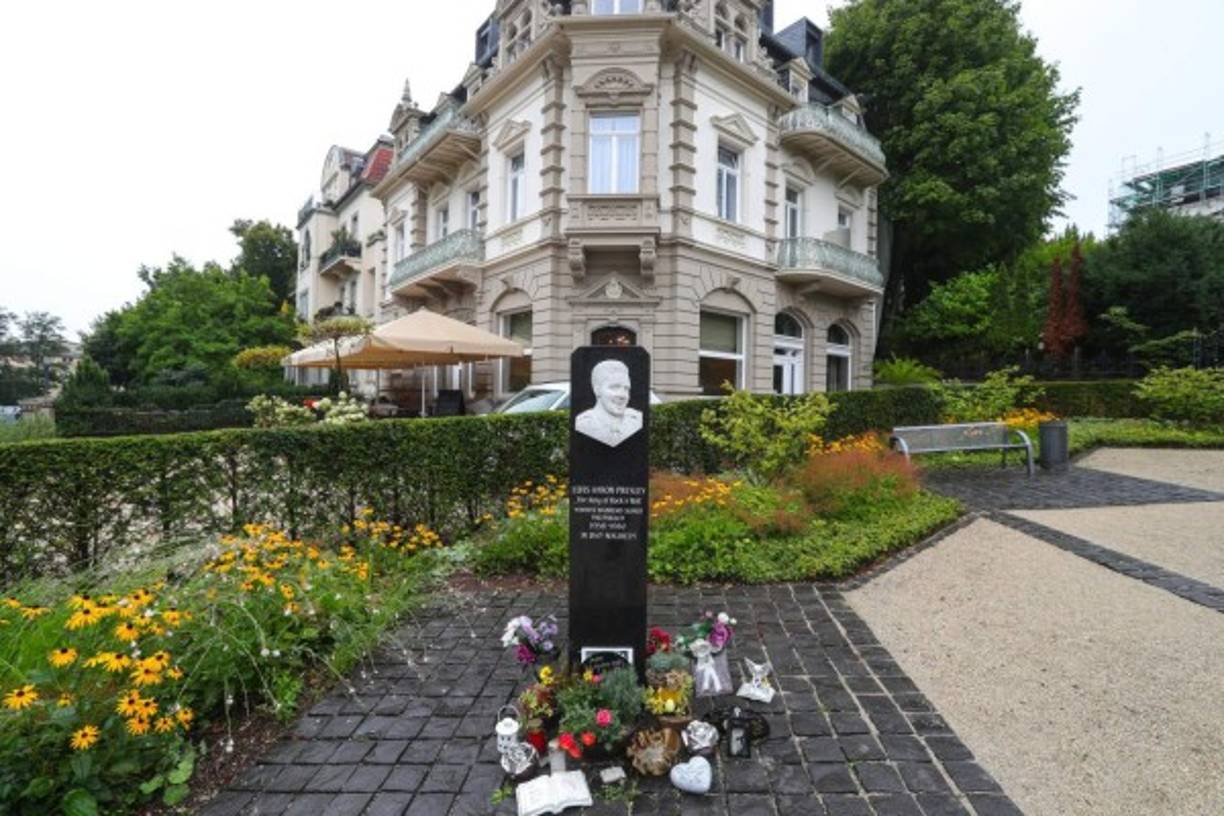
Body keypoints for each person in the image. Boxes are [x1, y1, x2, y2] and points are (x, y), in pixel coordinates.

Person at [575, 359, 642, 448]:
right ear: (597, 390)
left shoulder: (637, 420)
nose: (622, 395)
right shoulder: (583, 424)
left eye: (626, 389)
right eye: (614, 387)